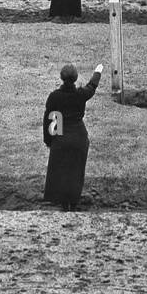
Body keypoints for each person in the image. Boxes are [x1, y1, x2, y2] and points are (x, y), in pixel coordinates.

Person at [42, 62, 103, 210]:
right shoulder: (81, 95)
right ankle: (74, 203)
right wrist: (98, 71)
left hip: (61, 134)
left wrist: (49, 140)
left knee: (61, 171)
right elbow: (92, 86)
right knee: (76, 172)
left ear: (61, 78)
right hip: (79, 136)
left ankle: (64, 204)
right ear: (75, 78)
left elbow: (49, 119)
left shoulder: (55, 96)